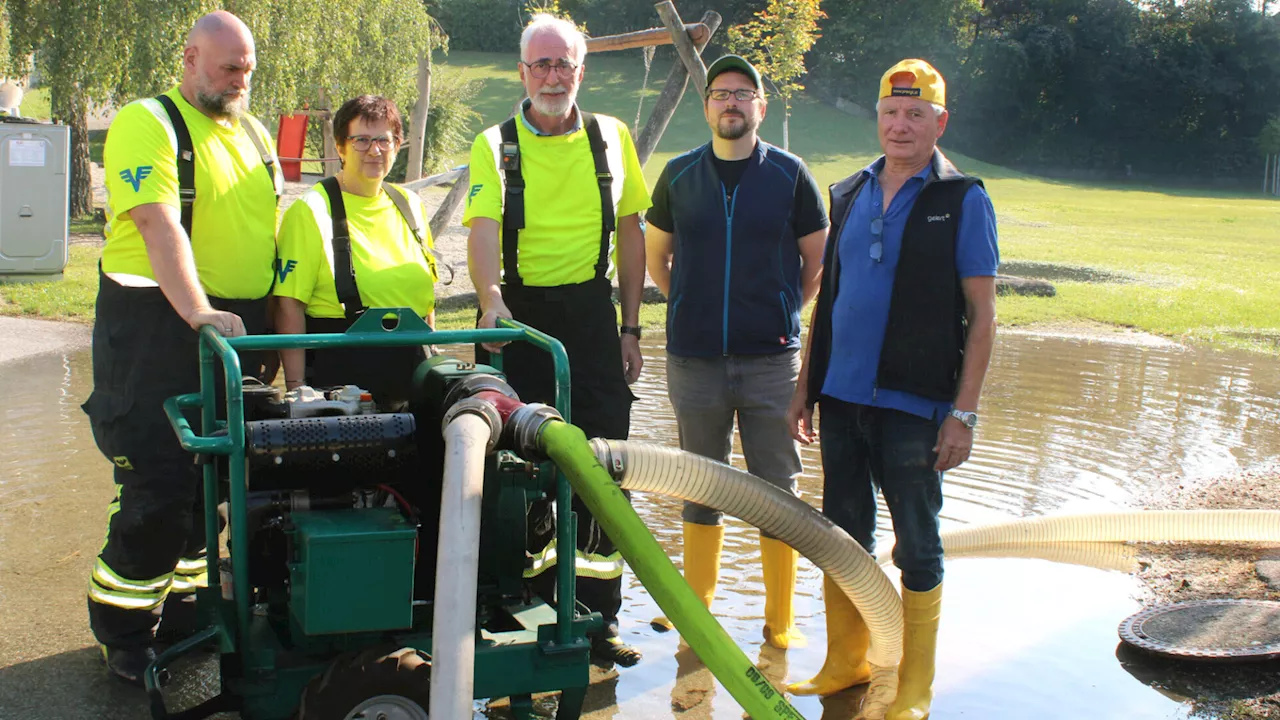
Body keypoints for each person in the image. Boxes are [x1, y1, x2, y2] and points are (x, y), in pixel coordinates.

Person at [785, 58, 999, 719]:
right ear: (876, 117)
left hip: (917, 405)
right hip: (842, 400)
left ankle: (915, 686)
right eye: (890, 113)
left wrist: (963, 413)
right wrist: (804, 386)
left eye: (915, 114)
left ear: (940, 122)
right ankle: (845, 662)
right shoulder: (847, 192)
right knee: (842, 534)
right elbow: (830, 298)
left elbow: (984, 315)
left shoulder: (962, 200)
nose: (900, 125)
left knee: (917, 542)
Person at [81, 10, 280, 685]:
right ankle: (125, 629)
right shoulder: (149, 121)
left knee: (213, 485)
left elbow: (266, 230)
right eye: (230, 67)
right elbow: (156, 222)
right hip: (161, 328)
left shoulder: (252, 132)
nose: (240, 79)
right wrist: (198, 311)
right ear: (191, 57)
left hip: (235, 331)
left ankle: (192, 611)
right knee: (160, 483)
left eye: (248, 69)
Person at [462, 14, 649, 667]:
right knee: (520, 466)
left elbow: (631, 231)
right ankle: (523, 606)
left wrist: (630, 324)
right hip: (521, 319)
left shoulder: (612, 138)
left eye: (562, 64)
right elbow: (482, 227)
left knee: (606, 467)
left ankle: (599, 619)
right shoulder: (497, 144)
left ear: (580, 70)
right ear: (522, 72)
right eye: (540, 65)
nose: (551, 76)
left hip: (595, 319)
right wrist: (490, 300)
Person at [644, 55, 827, 650]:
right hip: (693, 361)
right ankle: (695, 611)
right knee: (701, 482)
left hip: (772, 361)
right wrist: (690, 305)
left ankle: (780, 621)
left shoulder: (791, 175)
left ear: (760, 107)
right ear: (707, 106)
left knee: (777, 486)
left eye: (744, 94)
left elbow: (817, 263)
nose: (732, 103)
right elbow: (657, 259)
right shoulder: (677, 175)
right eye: (721, 93)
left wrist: (780, 311)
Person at [274, 94, 438, 404]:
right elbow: (288, 305)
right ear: (340, 147)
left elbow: (427, 301)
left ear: (397, 144)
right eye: (361, 140)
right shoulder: (311, 209)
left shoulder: (411, 206)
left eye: (384, 140)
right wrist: (297, 390)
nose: (374, 150)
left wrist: (433, 362)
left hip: (414, 369)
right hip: (342, 373)